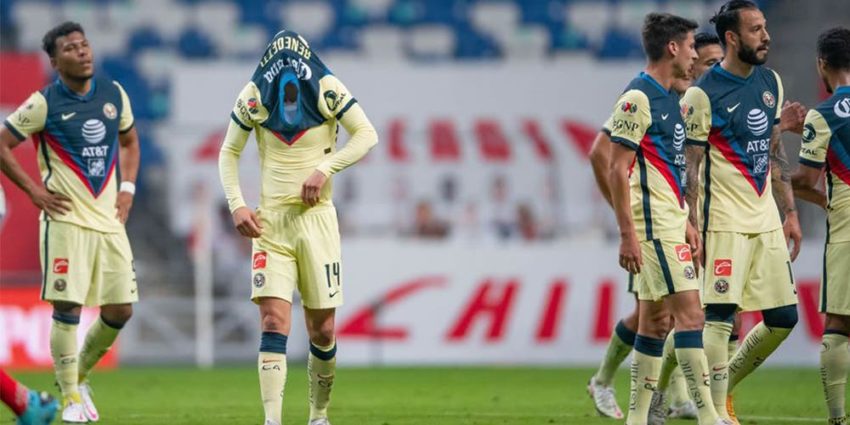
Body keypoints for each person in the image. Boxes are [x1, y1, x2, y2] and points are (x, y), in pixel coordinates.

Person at [218, 30, 378, 425]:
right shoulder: (254, 95)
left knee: (322, 330)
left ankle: (318, 415)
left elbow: (366, 134)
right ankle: (272, 420)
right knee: (273, 321)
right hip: (270, 224)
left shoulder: (327, 87)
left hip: (317, 221)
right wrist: (237, 204)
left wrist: (325, 169)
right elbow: (229, 151)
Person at [0, 22, 140, 423]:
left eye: (84, 44)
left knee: (121, 311)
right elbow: (2, 143)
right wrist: (33, 191)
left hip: (109, 221)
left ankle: (78, 375)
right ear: (55, 61)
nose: (82, 51)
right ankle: (70, 399)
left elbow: (130, 141)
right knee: (68, 309)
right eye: (71, 48)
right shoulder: (43, 104)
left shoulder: (114, 95)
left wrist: (127, 187)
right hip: (65, 222)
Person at [586, 31, 725, 421]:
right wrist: (627, 220)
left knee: (658, 318)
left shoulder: (687, 101)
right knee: (666, 316)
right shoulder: (644, 95)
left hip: (677, 220)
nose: (709, 68)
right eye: (707, 61)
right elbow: (601, 154)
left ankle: (655, 406)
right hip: (652, 224)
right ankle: (608, 381)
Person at [681, 1, 802, 422]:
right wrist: (691, 224)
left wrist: (789, 212)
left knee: (784, 318)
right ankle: (714, 412)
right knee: (718, 319)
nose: (766, 36)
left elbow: (774, 151)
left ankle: (720, 386)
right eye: (755, 30)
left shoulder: (771, 81)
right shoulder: (702, 93)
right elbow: (691, 166)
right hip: (724, 222)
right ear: (732, 38)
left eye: (765, 27)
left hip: (765, 219)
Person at [791, 26, 850, 425]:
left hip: (847, 221)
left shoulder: (823, 114)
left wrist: (772, 174)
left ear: (821, 65)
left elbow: (806, 180)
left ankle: (837, 418)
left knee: (839, 321)